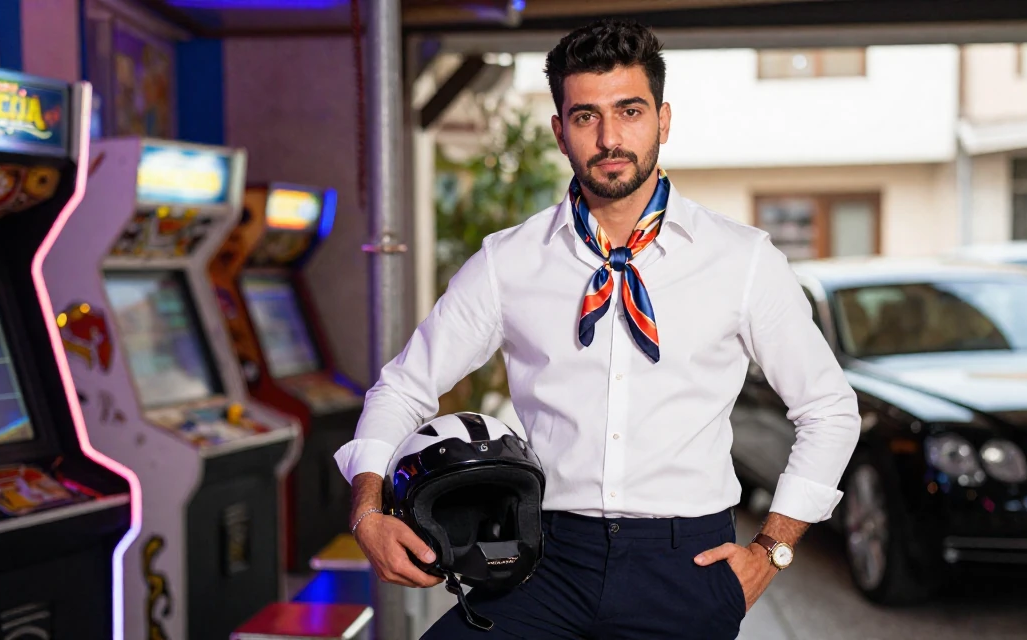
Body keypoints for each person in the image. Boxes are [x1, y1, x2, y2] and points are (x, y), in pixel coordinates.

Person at [334, 18, 860, 640]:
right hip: (542, 557)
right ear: (560, 132)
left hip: (684, 564)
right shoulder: (510, 261)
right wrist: (367, 511)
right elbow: (403, 387)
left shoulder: (742, 260)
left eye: (630, 111)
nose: (610, 138)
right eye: (586, 116)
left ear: (663, 120)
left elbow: (829, 410)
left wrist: (772, 549)